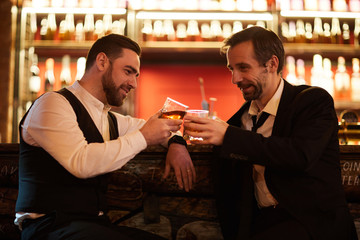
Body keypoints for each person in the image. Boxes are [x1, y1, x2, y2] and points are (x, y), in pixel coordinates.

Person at [183, 26, 358, 240]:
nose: (235, 79)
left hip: (313, 226)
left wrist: (228, 136)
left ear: (272, 64)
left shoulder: (313, 101)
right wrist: (176, 142)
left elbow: (299, 155)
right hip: (261, 225)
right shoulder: (240, 120)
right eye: (231, 69)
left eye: (243, 68)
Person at [15, 34, 195, 240]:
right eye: (128, 72)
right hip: (47, 228)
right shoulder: (51, 104)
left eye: (136, 75)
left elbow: (163, 128)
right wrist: (144, 137)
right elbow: (80, 162)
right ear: (102, 62)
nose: (134, 83)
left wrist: (177, 143)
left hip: (92, 225)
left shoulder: (111, 120)